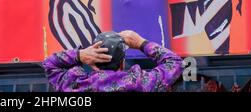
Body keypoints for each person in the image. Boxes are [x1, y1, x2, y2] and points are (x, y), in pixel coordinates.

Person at [43, 30, 183, 92]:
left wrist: (79, 55)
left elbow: (49, 64)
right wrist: (141, 43)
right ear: (122, 62)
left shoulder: (76, 84)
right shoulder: (140, 82)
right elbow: (175, 62)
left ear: (92, 60)